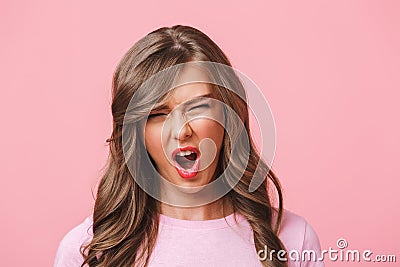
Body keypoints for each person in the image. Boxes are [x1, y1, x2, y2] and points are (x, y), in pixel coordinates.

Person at [54, 25, 324, 267]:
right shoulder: (89, 252)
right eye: (158, 114)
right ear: (135, 131)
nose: (182, 131)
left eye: (199, 107)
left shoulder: (292, 240)